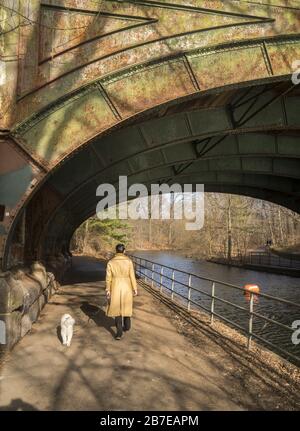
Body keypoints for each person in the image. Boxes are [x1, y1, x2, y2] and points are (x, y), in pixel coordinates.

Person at [105, 244, 137, 340]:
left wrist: (108, 289)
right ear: (124, 251)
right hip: (127, 286)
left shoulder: (111, 262)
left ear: (116, 251)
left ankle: (119, 333)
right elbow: (132, 276)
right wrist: (135, 288)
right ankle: (127, 326)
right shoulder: (129, 261)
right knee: (126, 306)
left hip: (115, 286)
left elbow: (108, 278)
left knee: (116, 309)